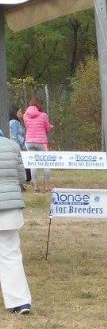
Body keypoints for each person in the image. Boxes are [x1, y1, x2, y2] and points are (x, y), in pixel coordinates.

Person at [0, 132, 32, 314]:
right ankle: (20, 302)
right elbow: (22, 177)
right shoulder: (12, 146)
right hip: (10, 207)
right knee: (11, 255)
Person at [22, 96, 53, 192]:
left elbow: (27, 126)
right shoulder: (43, 115)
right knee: (46, 163)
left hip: (29, 141)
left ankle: (36, 187)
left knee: (33, 164)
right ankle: (47, 186)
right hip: (41, 142)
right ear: (39, 104)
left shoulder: (25, 115)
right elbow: (47, 128)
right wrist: (50, 127)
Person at [7, 108, 29, 185]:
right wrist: (20, 146)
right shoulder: (14, 122)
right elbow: (14, 136)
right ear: (15, 113)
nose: (21, 113)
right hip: (19, 147)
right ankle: (24, 180)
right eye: (19, 111)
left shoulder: (13, 122)